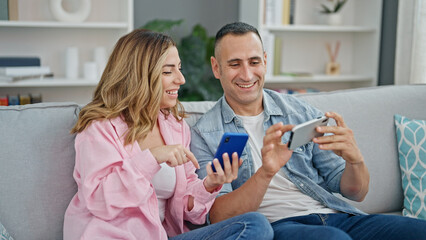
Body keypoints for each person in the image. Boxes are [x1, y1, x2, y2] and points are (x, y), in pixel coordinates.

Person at [191, 22, 426, 240]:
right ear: (216, 67)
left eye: (254, 62)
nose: (246, 74)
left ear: (264, 60)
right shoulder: (205, 133)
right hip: (279, 225)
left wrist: (355, 161)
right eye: (234, 64)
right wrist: (266, 172)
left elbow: (356, 193)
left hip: (336, 215)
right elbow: (219, 216)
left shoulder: (298, 112)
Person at [63, 29, 273, 240]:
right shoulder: (100, 128)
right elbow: (98, 201)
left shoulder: (176, 127)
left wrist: (209, 184)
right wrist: (152, 157)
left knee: (254, 225)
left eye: (179, 69)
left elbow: (185, 209)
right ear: (139, 75)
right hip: (111, 236)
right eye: (168, 71)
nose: (181, 79)